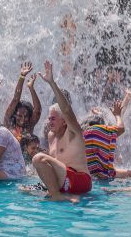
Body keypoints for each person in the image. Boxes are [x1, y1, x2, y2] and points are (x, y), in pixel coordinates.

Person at [30, 60, 92, 201]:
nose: (49, 121)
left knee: (38, 158)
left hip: (80, 180)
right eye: (49, 118)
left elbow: (66, 110)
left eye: (53, 119)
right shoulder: (51, 136)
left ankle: (57, 196)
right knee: (26, 190)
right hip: (65, 180)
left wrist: (52, 83)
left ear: (64, 120)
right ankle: (65, 195)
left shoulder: (73, 133)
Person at [82, 92, 131, 180]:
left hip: (87, 173)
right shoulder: (102, 133)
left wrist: (97, 115)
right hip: (105, 174)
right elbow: (120, 127)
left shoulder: (83, 133)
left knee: (129, 173)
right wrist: (117, 115)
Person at [3, 62, 42, 141]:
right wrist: (22, 76)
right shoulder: (9, 122)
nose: (22, 119)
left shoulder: (29, 126)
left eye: (26, 116)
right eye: (20, 116)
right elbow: (15, 99)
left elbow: (37, 109)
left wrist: (31, 88)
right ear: (15, 114)